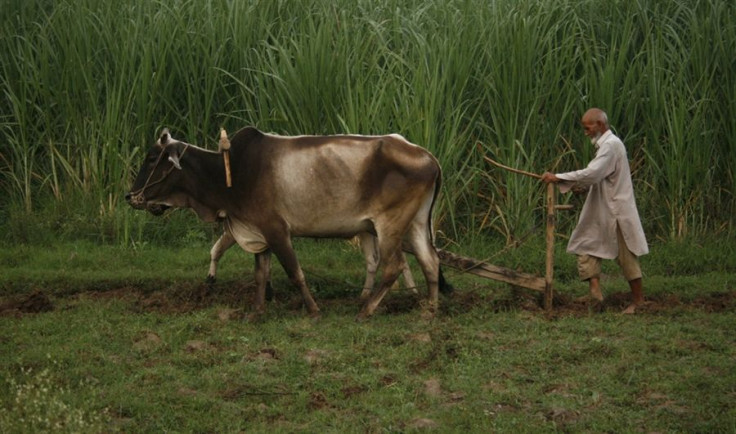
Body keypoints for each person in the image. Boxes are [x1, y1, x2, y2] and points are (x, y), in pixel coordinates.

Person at [541, 108, 648, 314]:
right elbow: (600, 177)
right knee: (585, 242)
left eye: (587, 127)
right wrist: (581, 186)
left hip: (616, 210)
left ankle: (638, 301)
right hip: (602, 208)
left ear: (599, 124)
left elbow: (593, 173)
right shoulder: (606, 146)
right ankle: (595, 293)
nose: (585, 132)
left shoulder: (611, 145)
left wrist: (557, 177)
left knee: (626, 255)